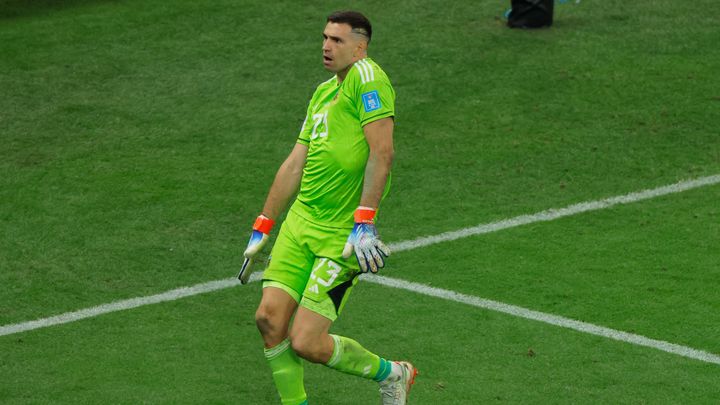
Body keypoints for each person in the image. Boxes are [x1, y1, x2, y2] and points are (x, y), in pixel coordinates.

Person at [240, 10, 417, 405]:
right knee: (268, 320)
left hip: (342, 234)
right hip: (301, 224)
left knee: (305, 341)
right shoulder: (322, 93)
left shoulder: (367, 79)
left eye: (337, 40)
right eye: (324, 38)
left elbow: (382, 153)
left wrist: (365, 221)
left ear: (360, 46)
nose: (326, 46)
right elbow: (294, 163)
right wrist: (264, 223)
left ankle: (393, 374)